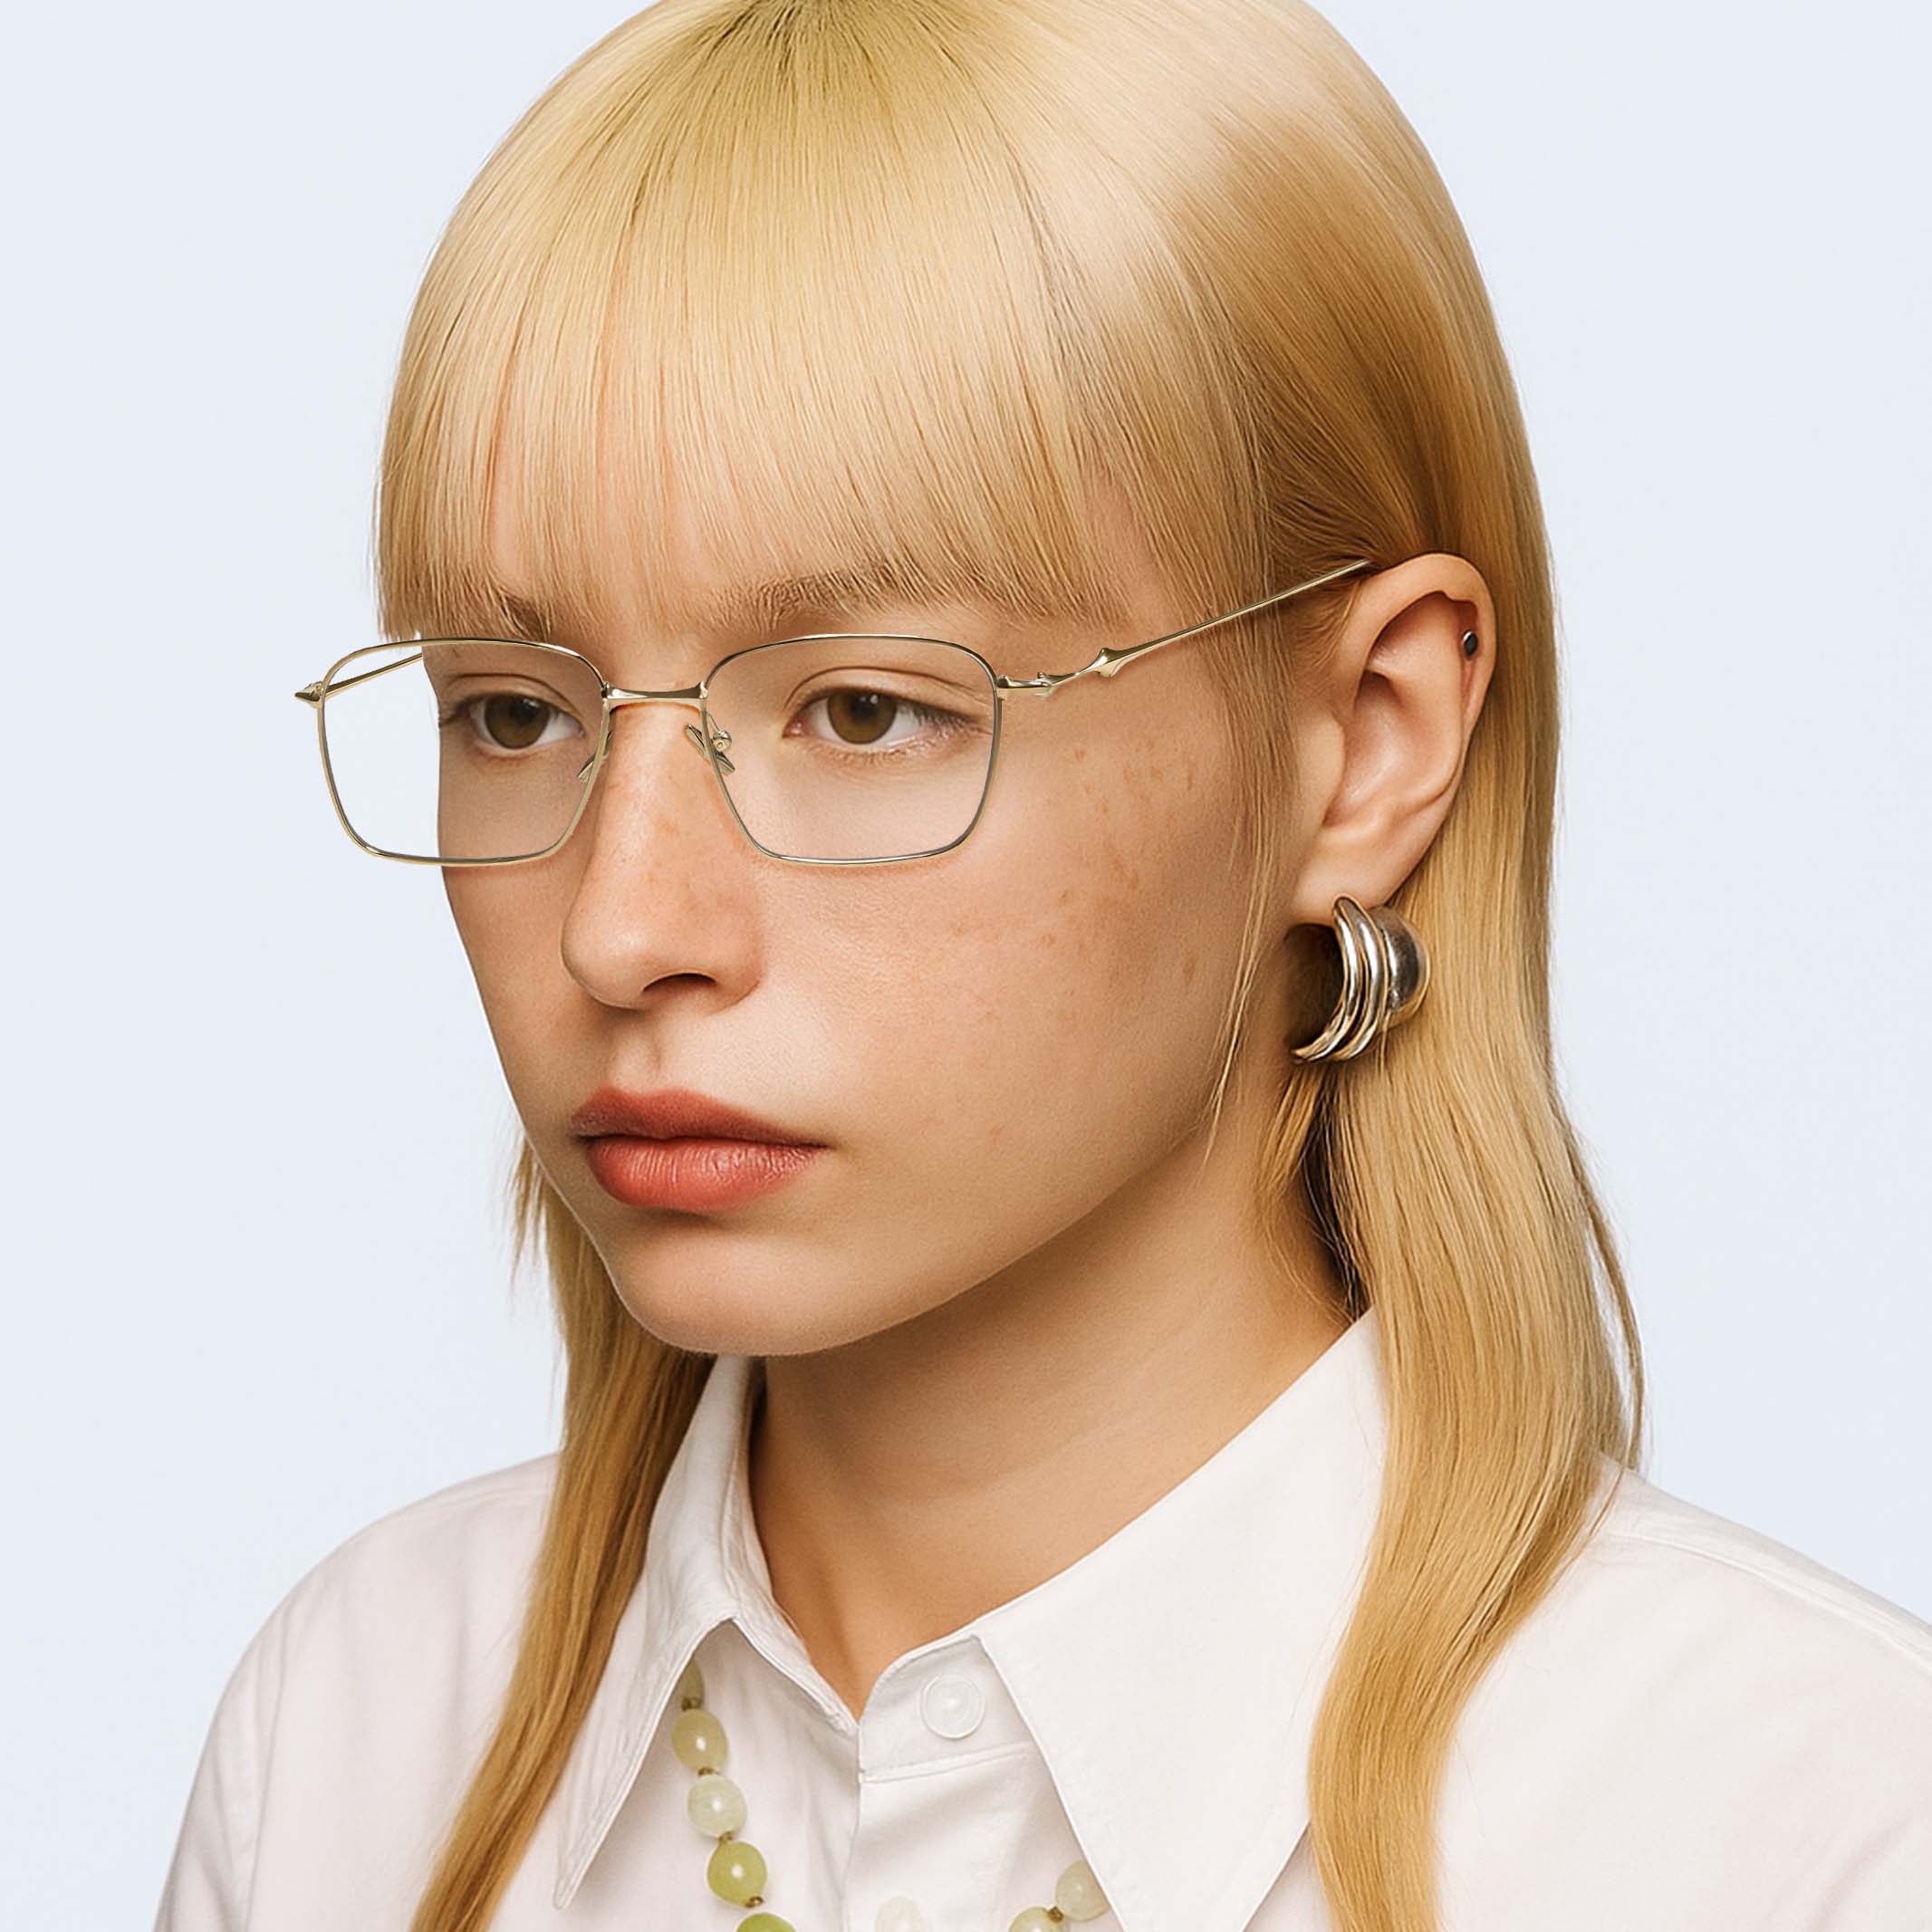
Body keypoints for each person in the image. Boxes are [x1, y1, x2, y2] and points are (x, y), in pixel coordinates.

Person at [154, 1, 1932, 1928]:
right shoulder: (349, 1743)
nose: (620, 923)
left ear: (1366, 741)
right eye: (513, 712)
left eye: (864, 708)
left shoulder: (1806, 1837)